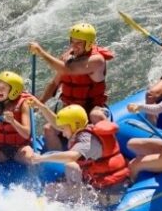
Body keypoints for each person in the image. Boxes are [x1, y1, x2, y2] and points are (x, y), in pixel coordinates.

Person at [27, 100, 129, 204]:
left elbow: (71, 157)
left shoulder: (87, 141)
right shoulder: (84, 130)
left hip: (110, 194)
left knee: (50, 190)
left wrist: (41, 158)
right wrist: (41, 106)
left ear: (73, 125)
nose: (62, 132)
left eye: (63, 128)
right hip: (107, 186)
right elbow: (56, 124)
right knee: (69, 168)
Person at [28, 22, 112, 150]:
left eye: (79, 43)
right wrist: (39, 103)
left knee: (96, 116)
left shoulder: (97, 60)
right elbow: (54, 83)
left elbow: (69, 70)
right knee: (48, 129)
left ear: (89, 43)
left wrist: (41, 53)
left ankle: (109, 152)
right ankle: (57, 163)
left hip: (92, 108)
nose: (74, 46)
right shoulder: (67, 58)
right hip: (72, 111)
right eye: (72, 41)